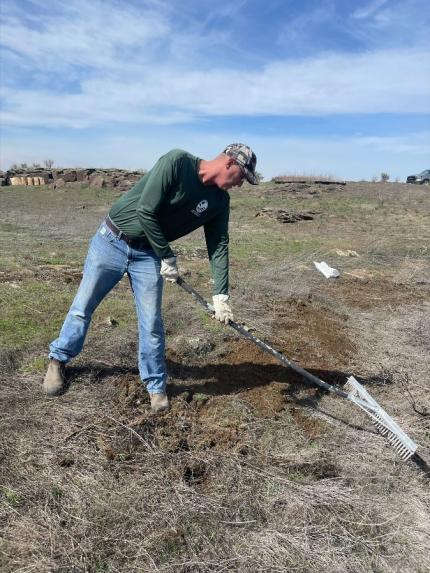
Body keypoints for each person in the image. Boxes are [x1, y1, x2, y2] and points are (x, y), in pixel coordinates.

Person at [43, 143, 258, 411]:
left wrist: (221, 294)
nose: (240, 185)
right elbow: (146, 209)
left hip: (147, 255)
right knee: (82, 307)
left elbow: (219, 246)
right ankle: (58, 360)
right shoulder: (177, 162)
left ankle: (155, 386)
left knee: (151, 323)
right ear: (229, 163)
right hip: (112, 240)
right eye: (241, 177)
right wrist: (167, 255)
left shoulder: (219, 202)